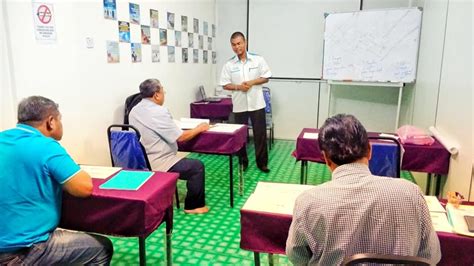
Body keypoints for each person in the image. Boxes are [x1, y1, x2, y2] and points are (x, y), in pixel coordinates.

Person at [286, 114, 441, 265]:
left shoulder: (307, 202)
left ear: (326, 158)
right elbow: (430, 256)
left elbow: (297, 257)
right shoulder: (411, 193)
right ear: (369, 150)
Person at [0, 96, 113, 265]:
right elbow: (83, 187)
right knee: (102, 247)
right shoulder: (46, 146)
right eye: (60, 120)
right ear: (51, 122)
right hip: (23, 250)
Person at [129, 78, 210, 214]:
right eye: (163, 91)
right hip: (159, 162)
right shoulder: (159, 111)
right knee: (197, 167)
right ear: (156, 95)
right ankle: (193, 206)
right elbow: (181, 138)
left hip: (140, 160)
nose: (164, 93)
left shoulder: (134, 110)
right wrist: (199, 128)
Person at [219, 31, 272, 173]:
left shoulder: (258, 59)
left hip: (257, 103)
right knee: (240, 136)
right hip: (240, 105)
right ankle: (243, 162)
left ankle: (262, 164)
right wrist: (238, 87)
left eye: (239, 43)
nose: (237, 47)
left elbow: (266, 77)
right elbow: (224, 84)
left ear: (245, 42)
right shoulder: (229, 65)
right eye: (234, 45)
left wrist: (252, 82)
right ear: (231, 46)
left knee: (259, 135)